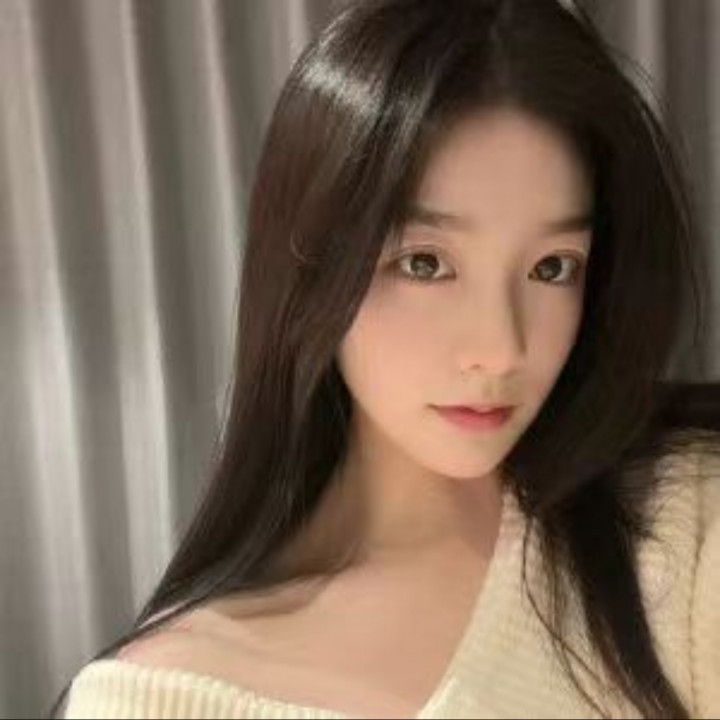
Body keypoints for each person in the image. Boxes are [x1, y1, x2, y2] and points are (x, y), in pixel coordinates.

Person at [51, 0, 720, 717]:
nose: (500, 347)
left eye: (552, 268)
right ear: (312, 268)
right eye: (425, 263)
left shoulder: (683, 521)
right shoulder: (154, 699)